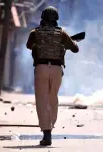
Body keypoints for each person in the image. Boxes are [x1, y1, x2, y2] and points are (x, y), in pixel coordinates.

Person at [26, 6, 79, 146]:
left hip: (41, 68)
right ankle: (51, 125)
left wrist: (41, 44)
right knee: (52, 98)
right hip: (56, 69)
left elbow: (28, 45)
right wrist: (70, 43)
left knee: (42, 100)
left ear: (42, 18)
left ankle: (47, 132)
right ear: (56, 19)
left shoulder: (34, 32)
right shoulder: (62, 33)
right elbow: (75, 49)